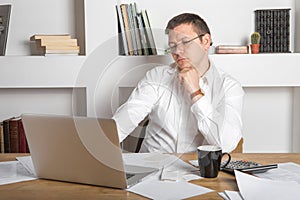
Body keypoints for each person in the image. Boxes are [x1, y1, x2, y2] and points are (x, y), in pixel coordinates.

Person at [113, 13, 244, 153]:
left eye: (185, 42)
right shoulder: (157, 77)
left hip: (195, 172)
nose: (177, 51)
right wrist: (98, 146)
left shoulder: (229, 87)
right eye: (172, 46)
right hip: (152, 171)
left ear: (205, 41)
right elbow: (126, 119)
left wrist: (196, 93)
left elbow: (226, 144)